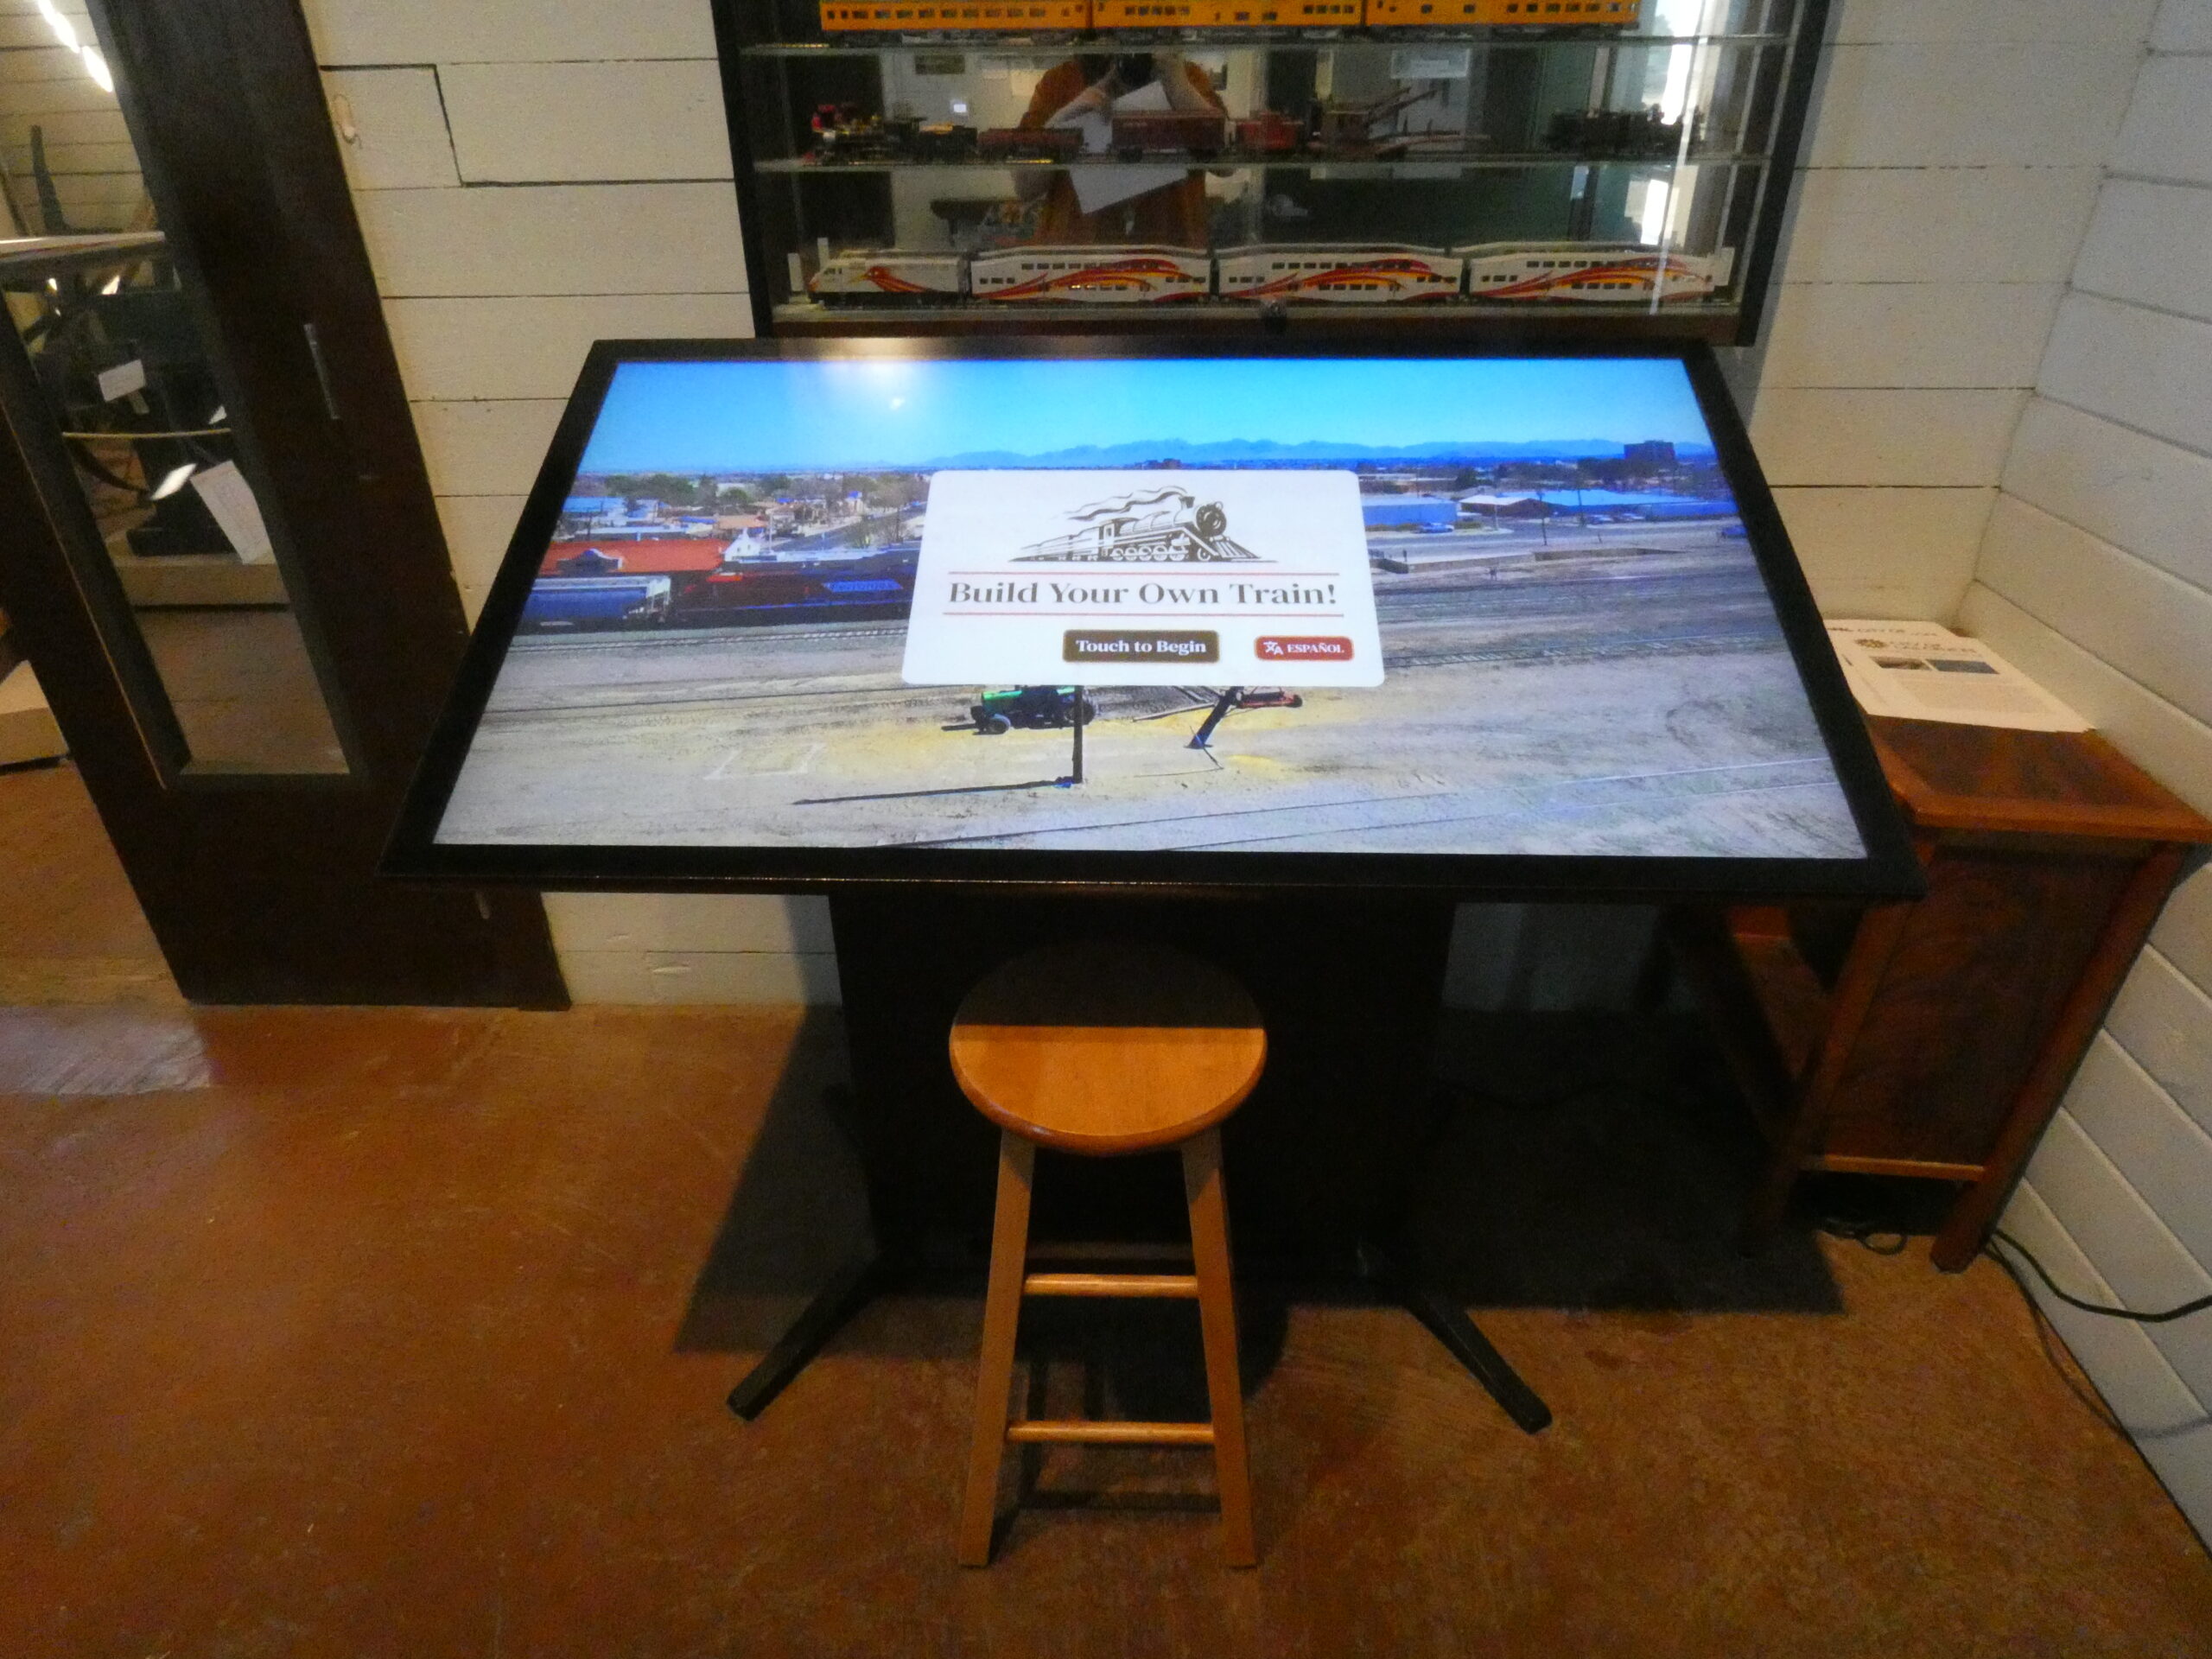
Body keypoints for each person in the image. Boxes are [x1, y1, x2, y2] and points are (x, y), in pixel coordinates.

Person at [1014, 53, 1224, 246]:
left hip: (1171, 254)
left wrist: (1181, 92)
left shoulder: (1184, 77)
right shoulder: (1061, 82)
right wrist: (1062, 121)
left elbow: (1226, 165)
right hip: (1077, 255)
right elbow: (1024, 186)